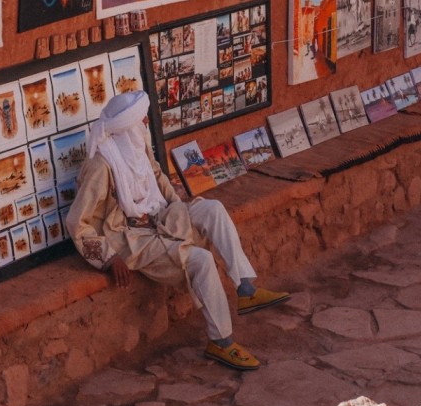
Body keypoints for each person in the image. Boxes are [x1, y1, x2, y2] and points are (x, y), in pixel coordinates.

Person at [66, 91, 289, 371]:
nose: (146, 122)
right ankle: (221, 341)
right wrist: (109, 258)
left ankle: (245, 287)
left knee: (213, 209)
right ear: (126, 128)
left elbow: (159, 180)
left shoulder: (137, 148)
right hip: (132, 237)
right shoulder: (101, 167)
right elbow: (78, 222)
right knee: (201, 260)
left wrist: (179, 212)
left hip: (161, 215)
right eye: (141, 119)